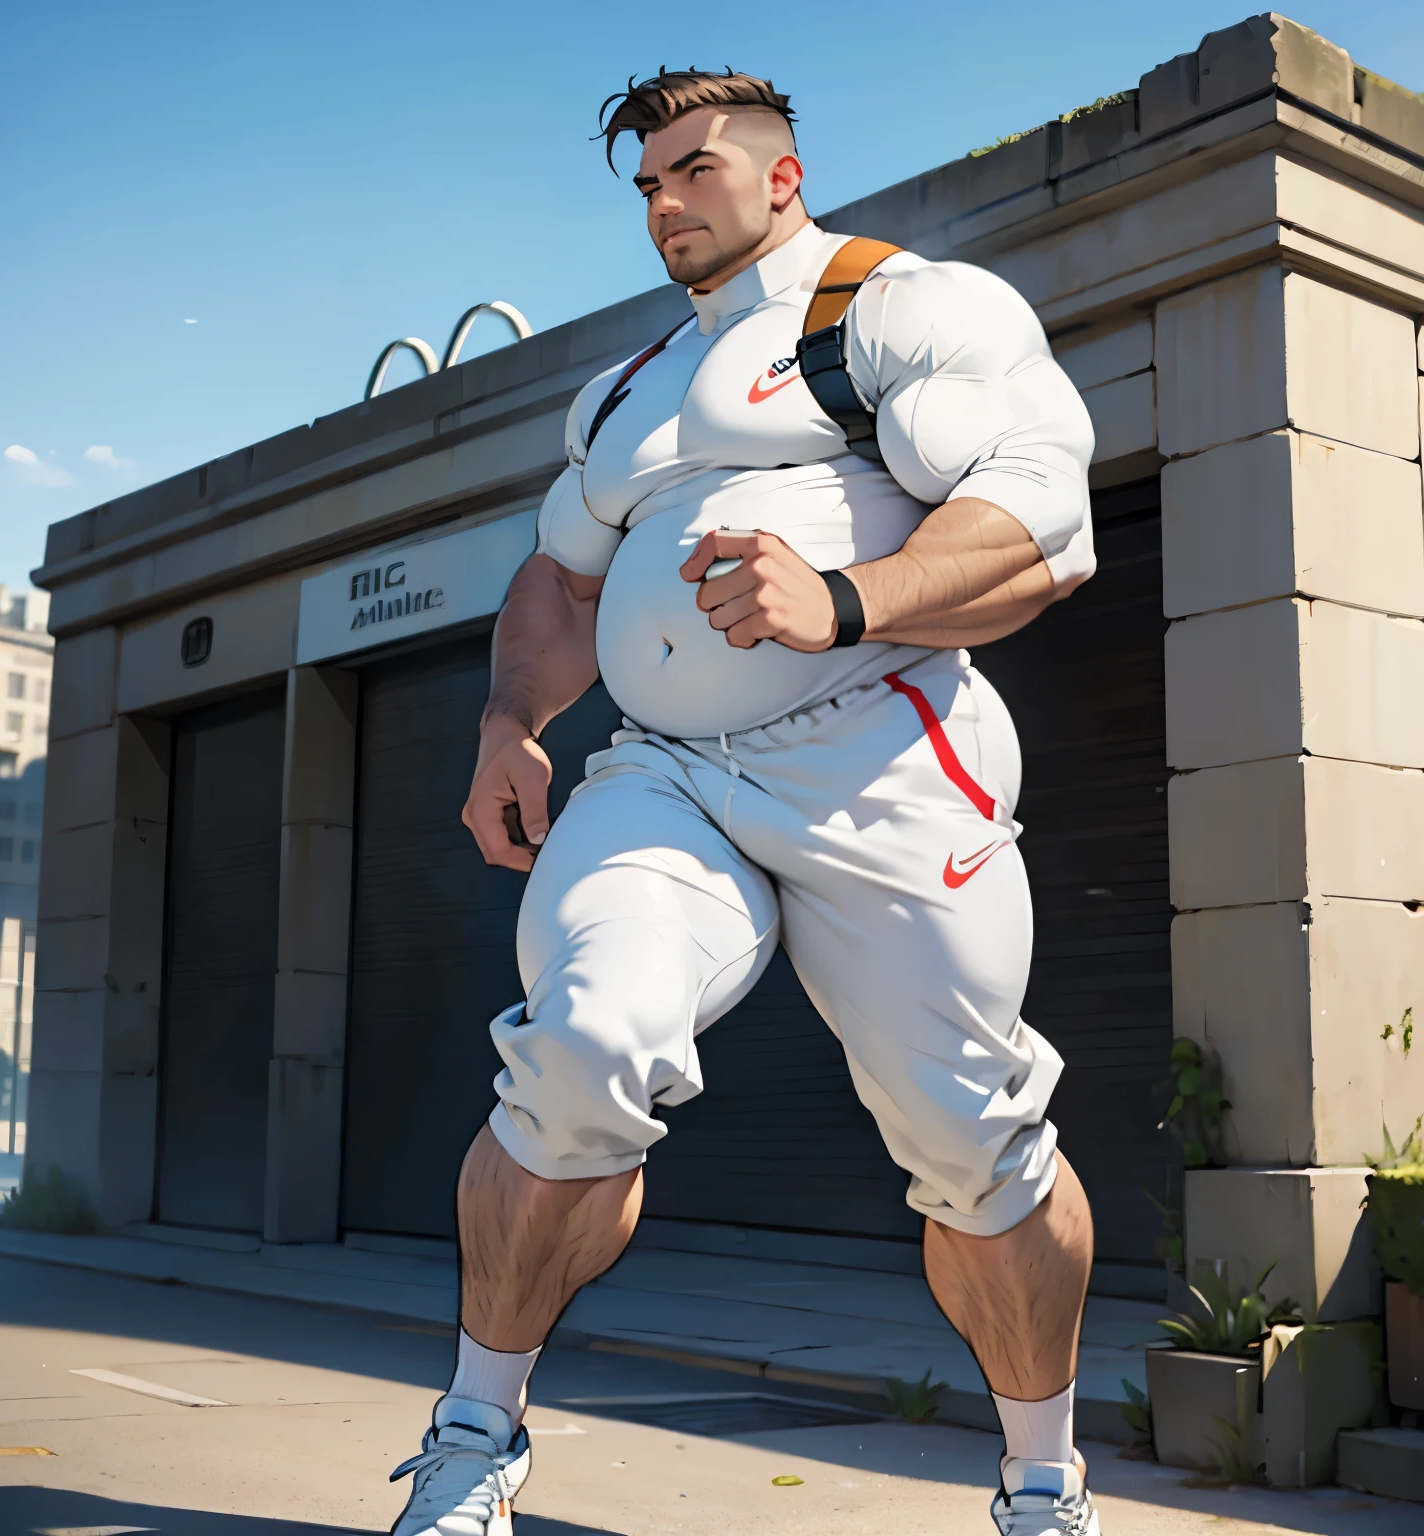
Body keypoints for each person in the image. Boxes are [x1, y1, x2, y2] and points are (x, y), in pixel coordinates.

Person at [390, 68, 1100, 1536]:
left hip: (881, 752)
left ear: (781, 174)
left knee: (976, 1146)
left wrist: (848, 598)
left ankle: (1044, 1487)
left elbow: (1043, 521)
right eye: (645, 182)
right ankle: (474, 1440)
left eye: (694, 168)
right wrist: (513, 721)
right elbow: (561, 576)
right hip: (667, 774)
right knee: (579, 1045)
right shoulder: (631, 386)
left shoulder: (896, 308)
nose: (665, 202)